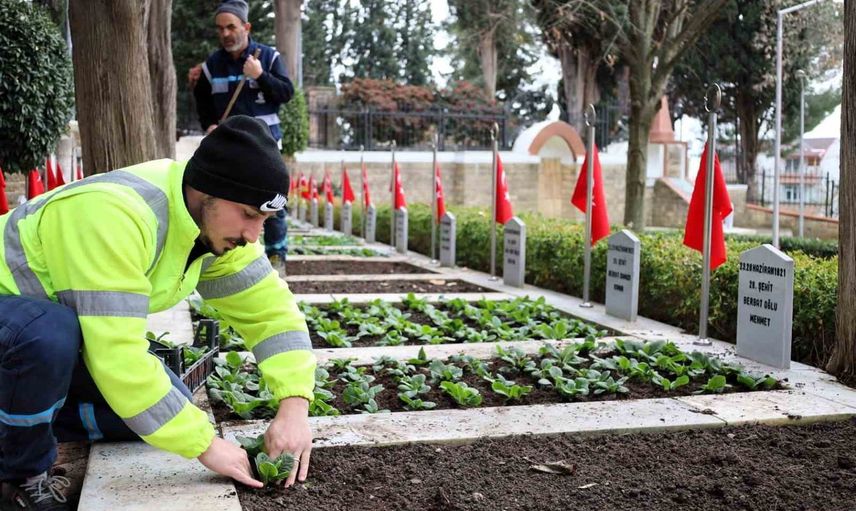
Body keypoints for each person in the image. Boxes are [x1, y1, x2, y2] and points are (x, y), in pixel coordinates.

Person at [0, 116, 315, 510]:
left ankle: (19, 419)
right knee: (48, 333)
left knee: (163, 408)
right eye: (249, 215)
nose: (253, 235)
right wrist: (206, 445)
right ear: (208, 191)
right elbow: (118, 356)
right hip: (20, 329)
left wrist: (294, 407)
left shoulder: (213, 229)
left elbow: (272, 314)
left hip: (32, 350)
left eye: (264, 221)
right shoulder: (114, 214)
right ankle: (20, 474)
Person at [190, 0, 292, 268]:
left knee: (271, 203)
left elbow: (286, 93)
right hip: (231, 150)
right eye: (220, 28)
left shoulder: (268, 57)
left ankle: (276, 255)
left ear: (246, 27)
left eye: (231, 27)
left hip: (267, 147)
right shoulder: (212, 65)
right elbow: (202, 100)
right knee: (231, 202)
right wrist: (209, 125)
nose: (225, 33)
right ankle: (230, 256)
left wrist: (260, 76)